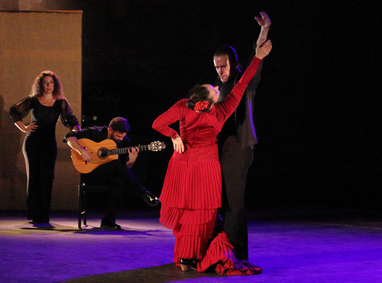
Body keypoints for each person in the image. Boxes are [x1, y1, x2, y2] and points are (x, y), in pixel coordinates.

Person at [152, 34, 272, 274]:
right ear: (208, 100)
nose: (217, 84)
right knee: (201, 214)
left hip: (182, 165)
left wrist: (174, 136)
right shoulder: (220, 112)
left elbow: (157, 123)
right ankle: (194, 256)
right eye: (214, 87)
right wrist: (257, 58)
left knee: (187, 213)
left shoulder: (183, 105)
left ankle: (184, 257)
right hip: (205, 167)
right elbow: (241, 86)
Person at [213, 11, 271, 261]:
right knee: (224, 204)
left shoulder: (243, 81)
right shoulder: (217, 87)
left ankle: (235, 254)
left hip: (239, 147)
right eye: (216, 67)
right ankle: (230, 251)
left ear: (234, 64)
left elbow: (256, 58)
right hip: (221, 149)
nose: (221, 71)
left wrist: (264, 29)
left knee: (234, 204)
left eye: (224, 66)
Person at [9, 70, 81, 224]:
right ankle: (34, 213)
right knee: (34, 177)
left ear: (55, 85)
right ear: (41, 84)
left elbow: (71, 121)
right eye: (45, 82)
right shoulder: (33, 100)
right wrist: (24, 128)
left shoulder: (60, 102)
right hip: (32, 142)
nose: (48, 85)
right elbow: (14, 111)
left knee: (47, 178)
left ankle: (43, 214)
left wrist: (79, 136)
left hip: (49, 142)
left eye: (51, 82)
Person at [64, 117, 160, 230]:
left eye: (123, 136)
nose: (121, 139)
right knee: (115, 163)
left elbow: (124, 169)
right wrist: (82, 151)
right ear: (110, 130)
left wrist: (131, 161)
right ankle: (143, 192)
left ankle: (107, 221)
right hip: (91, 173)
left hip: (109, 175)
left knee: (120, 180)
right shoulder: (97, 132)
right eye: (118, 136)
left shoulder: (125, 141)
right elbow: (69, 136)